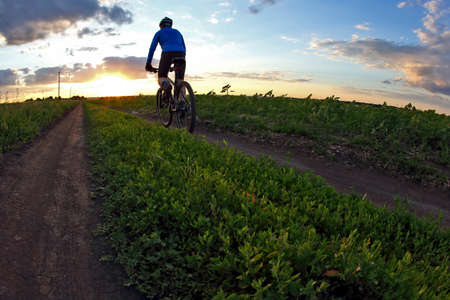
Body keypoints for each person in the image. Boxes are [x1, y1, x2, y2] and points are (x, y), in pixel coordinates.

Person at [145, 17, 186, 91]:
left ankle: (166, 86)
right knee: (180, 81)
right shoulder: (178, 32)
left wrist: (148, 63)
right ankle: (181, 101)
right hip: (181, 54)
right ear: (170, 25)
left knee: (162, 77)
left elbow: (152, 48)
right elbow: (184, 47)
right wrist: (176, 65)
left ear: (161, 26)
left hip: (167, 53)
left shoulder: (159, 32)